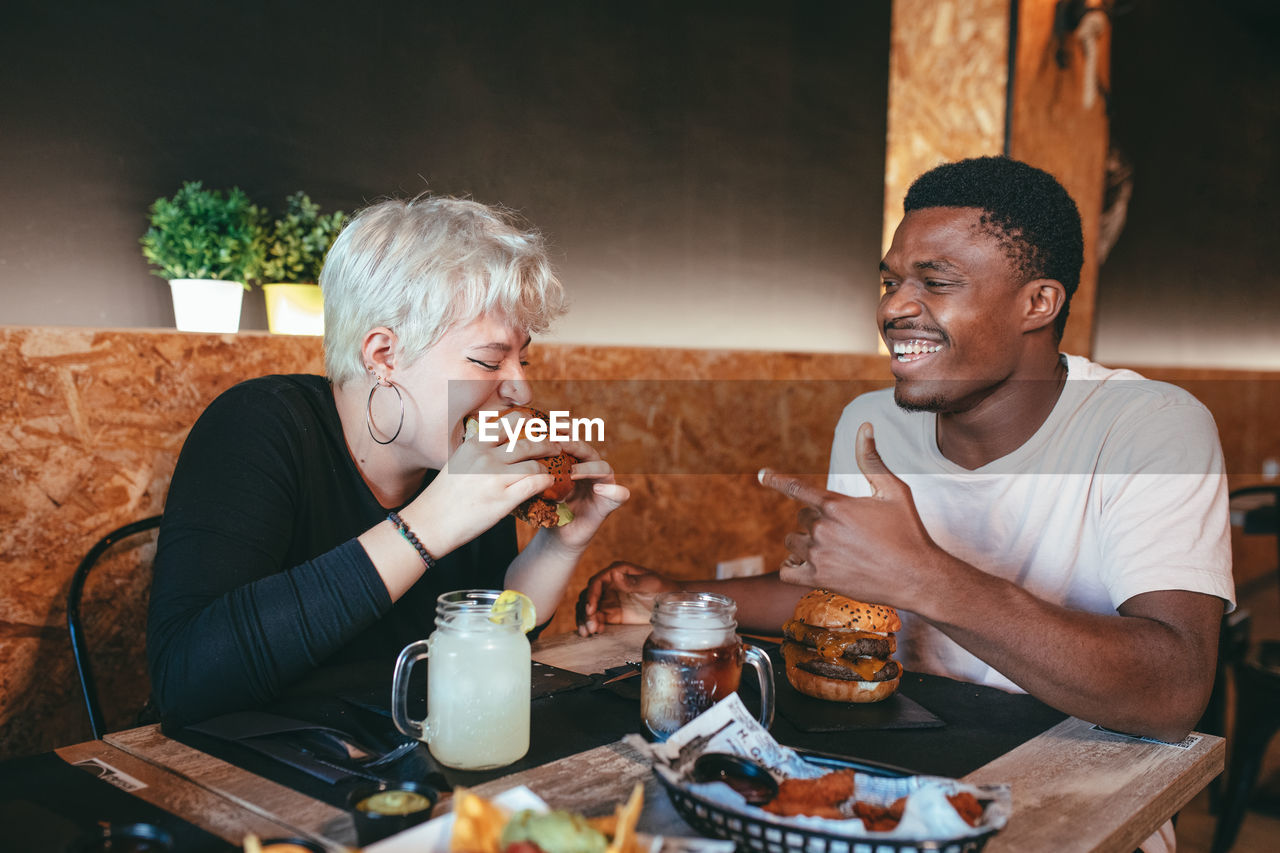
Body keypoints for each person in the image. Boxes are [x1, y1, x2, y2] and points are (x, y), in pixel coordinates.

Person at [577, 157, 1232, 852]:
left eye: (935, 282)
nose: (892, 307)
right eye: (890, 281)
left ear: (1037, 304)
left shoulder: (1150, 425)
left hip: (1076, 810)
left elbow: (1173, 691)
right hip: (888, 787)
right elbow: (838, 597)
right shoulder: (874, 420)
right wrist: (682, 597)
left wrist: (925, 576)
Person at [148, 195, 628, 727]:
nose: (520, 386)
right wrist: (427, 527)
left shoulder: (458, 458)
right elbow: (185, 681)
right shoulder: (259, 425)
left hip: (406, 755)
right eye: (489, 359)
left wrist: (559, 545)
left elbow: (488, 639)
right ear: (383, 355)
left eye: (523, 356)